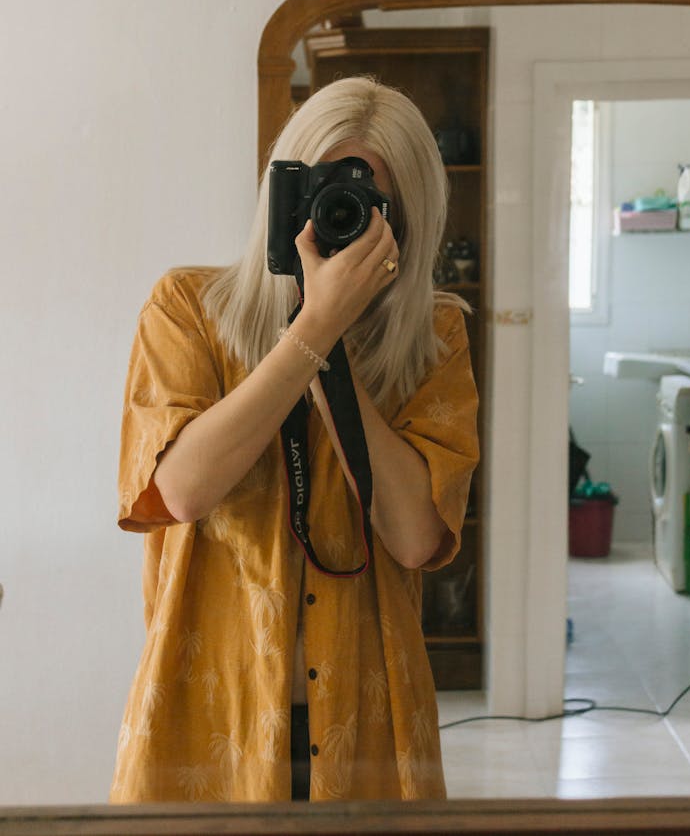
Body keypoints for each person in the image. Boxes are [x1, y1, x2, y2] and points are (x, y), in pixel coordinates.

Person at [110, 76, 480, 803]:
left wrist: (334, 345)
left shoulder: (435, 337)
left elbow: (412, 535)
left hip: (371, 729)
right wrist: (308, 332)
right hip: (208, 720)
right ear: (284, 198)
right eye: (323, 193)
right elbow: (182, 489)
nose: (337, 222)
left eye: (366, 205)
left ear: (405, 220)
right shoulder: (186, 308)